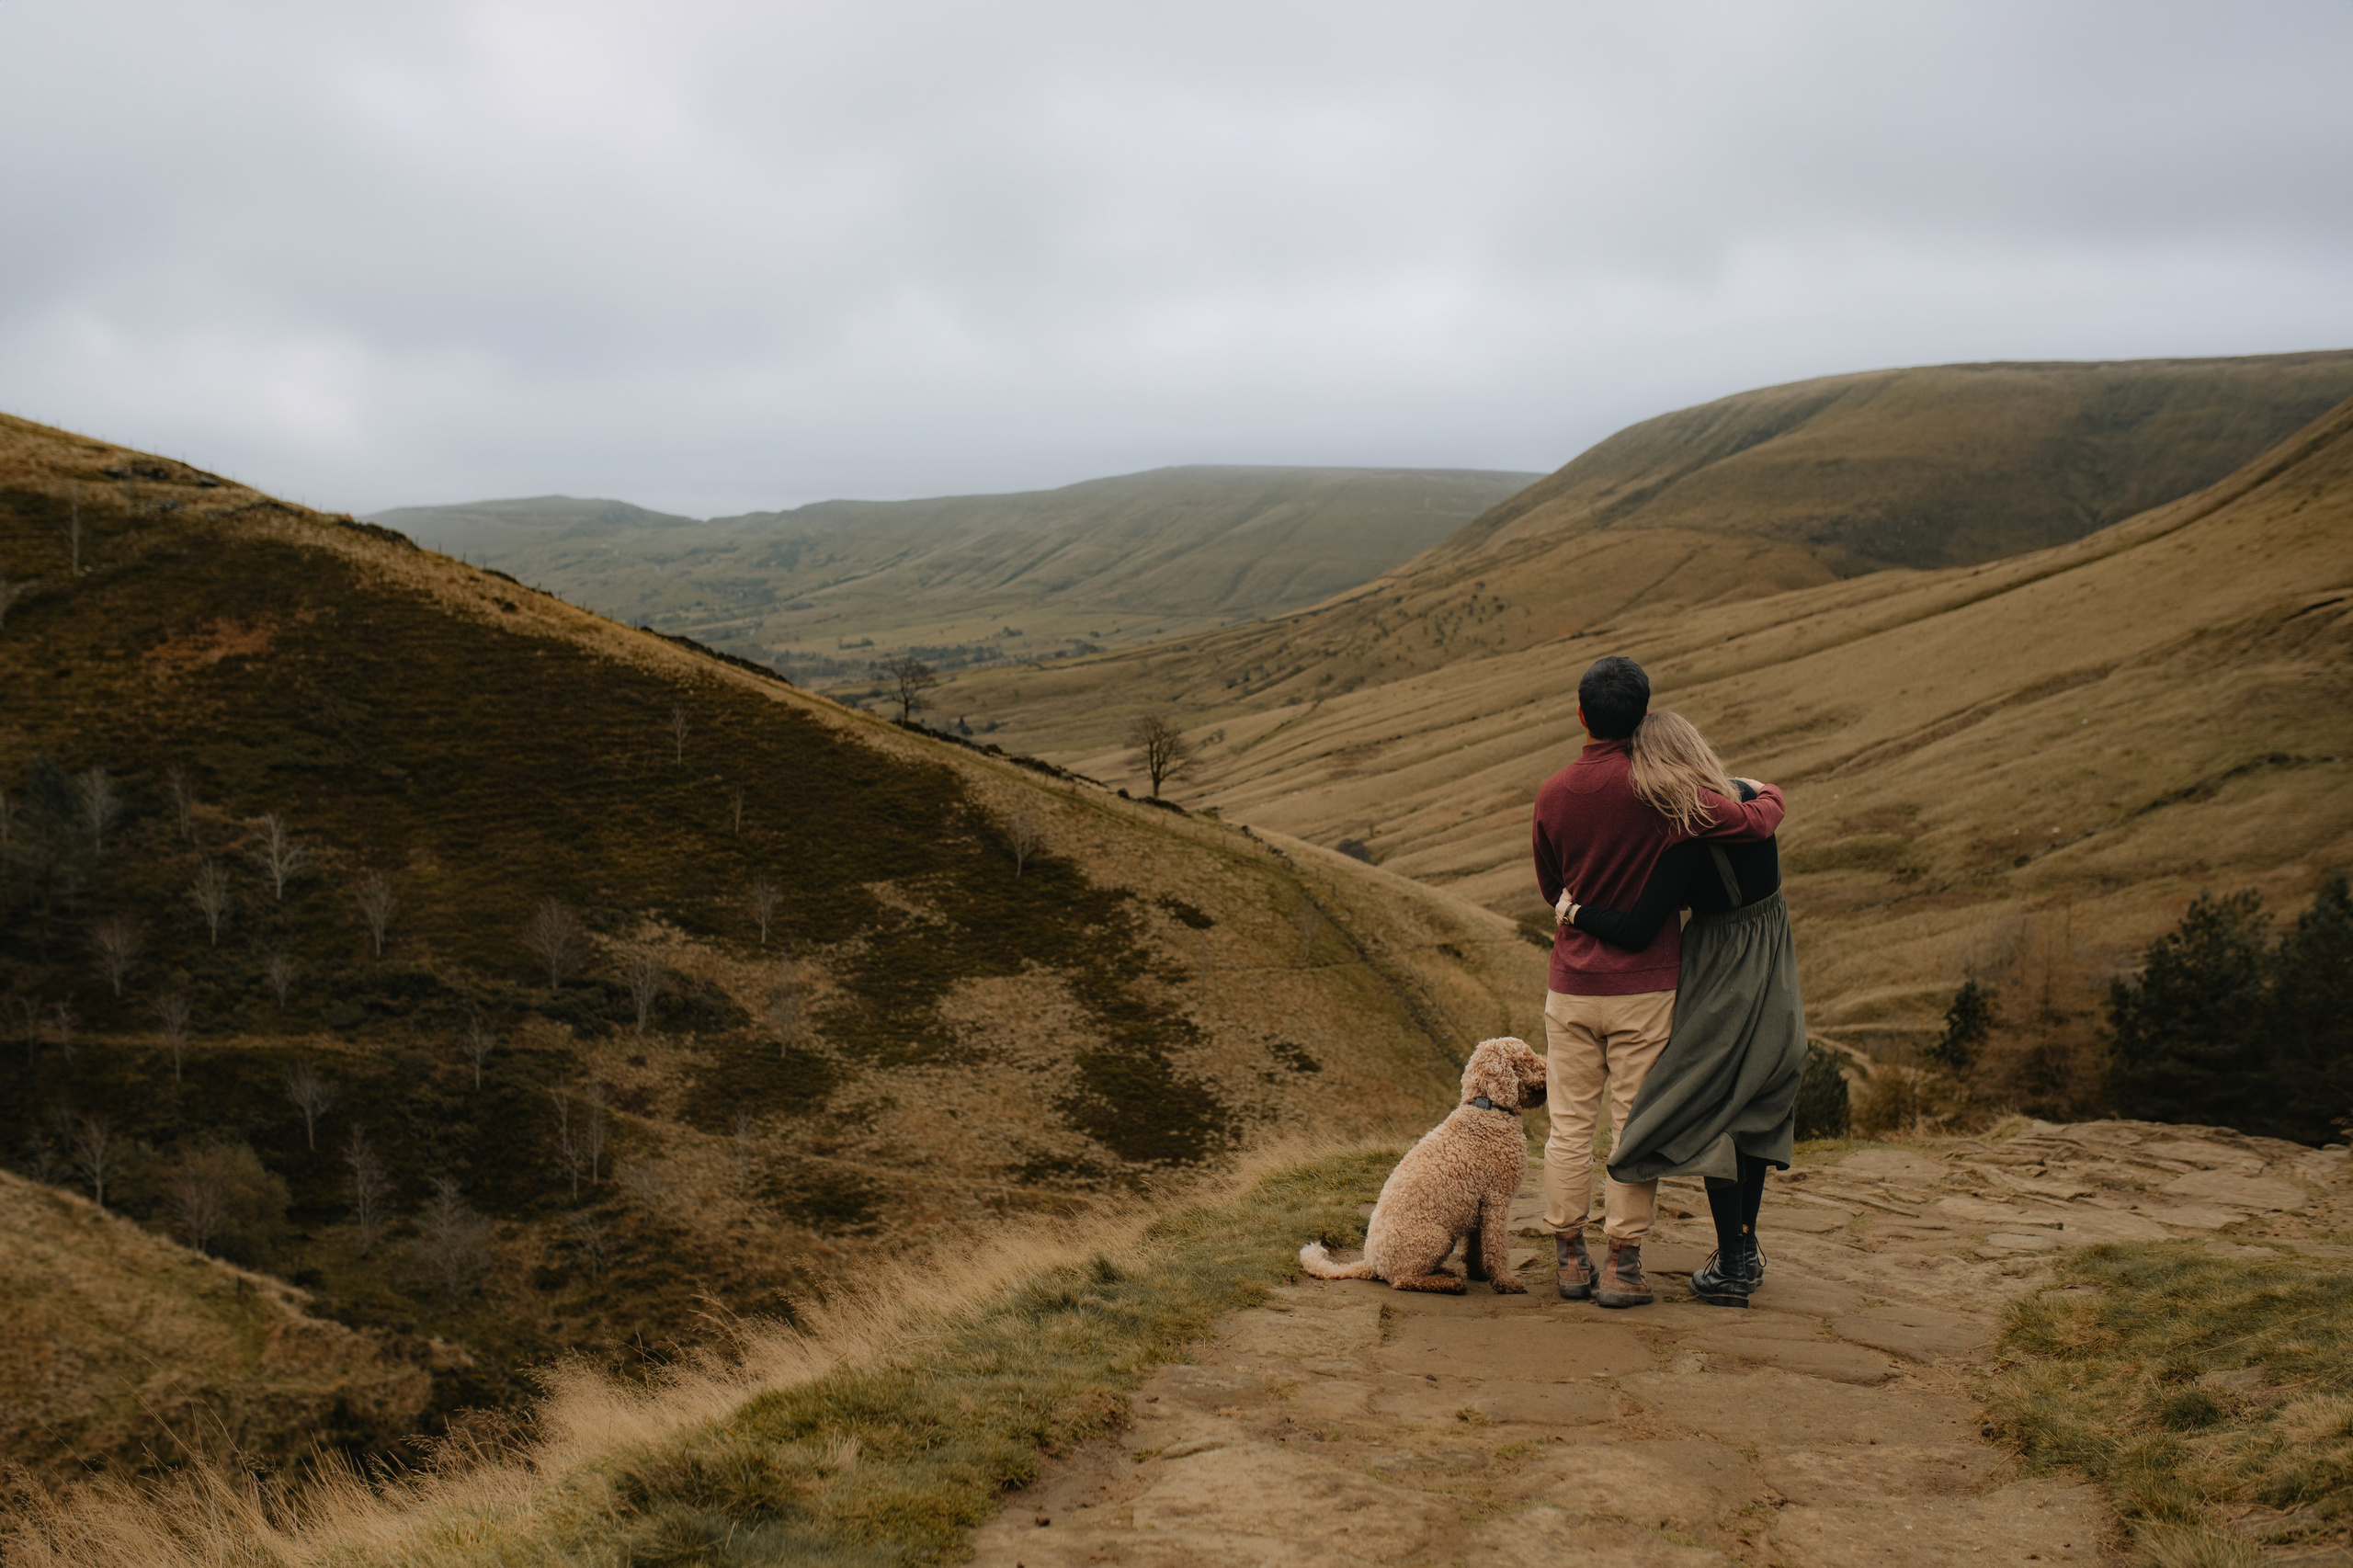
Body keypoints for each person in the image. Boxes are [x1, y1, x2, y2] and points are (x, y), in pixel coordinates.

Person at [1531, 657, 1784, 1310]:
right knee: (1632, 1127)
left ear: (1581, 714)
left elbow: (1551, 886)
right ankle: (1623, 1264)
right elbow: (1751, 821)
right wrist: (1768, 793)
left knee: (1568, 1127)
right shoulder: (1667, 795)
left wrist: (1574, 911)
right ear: (1643, 718)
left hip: (1571, 984)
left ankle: (1569, 1258)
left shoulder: (1553, 794)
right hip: (1645, 988)